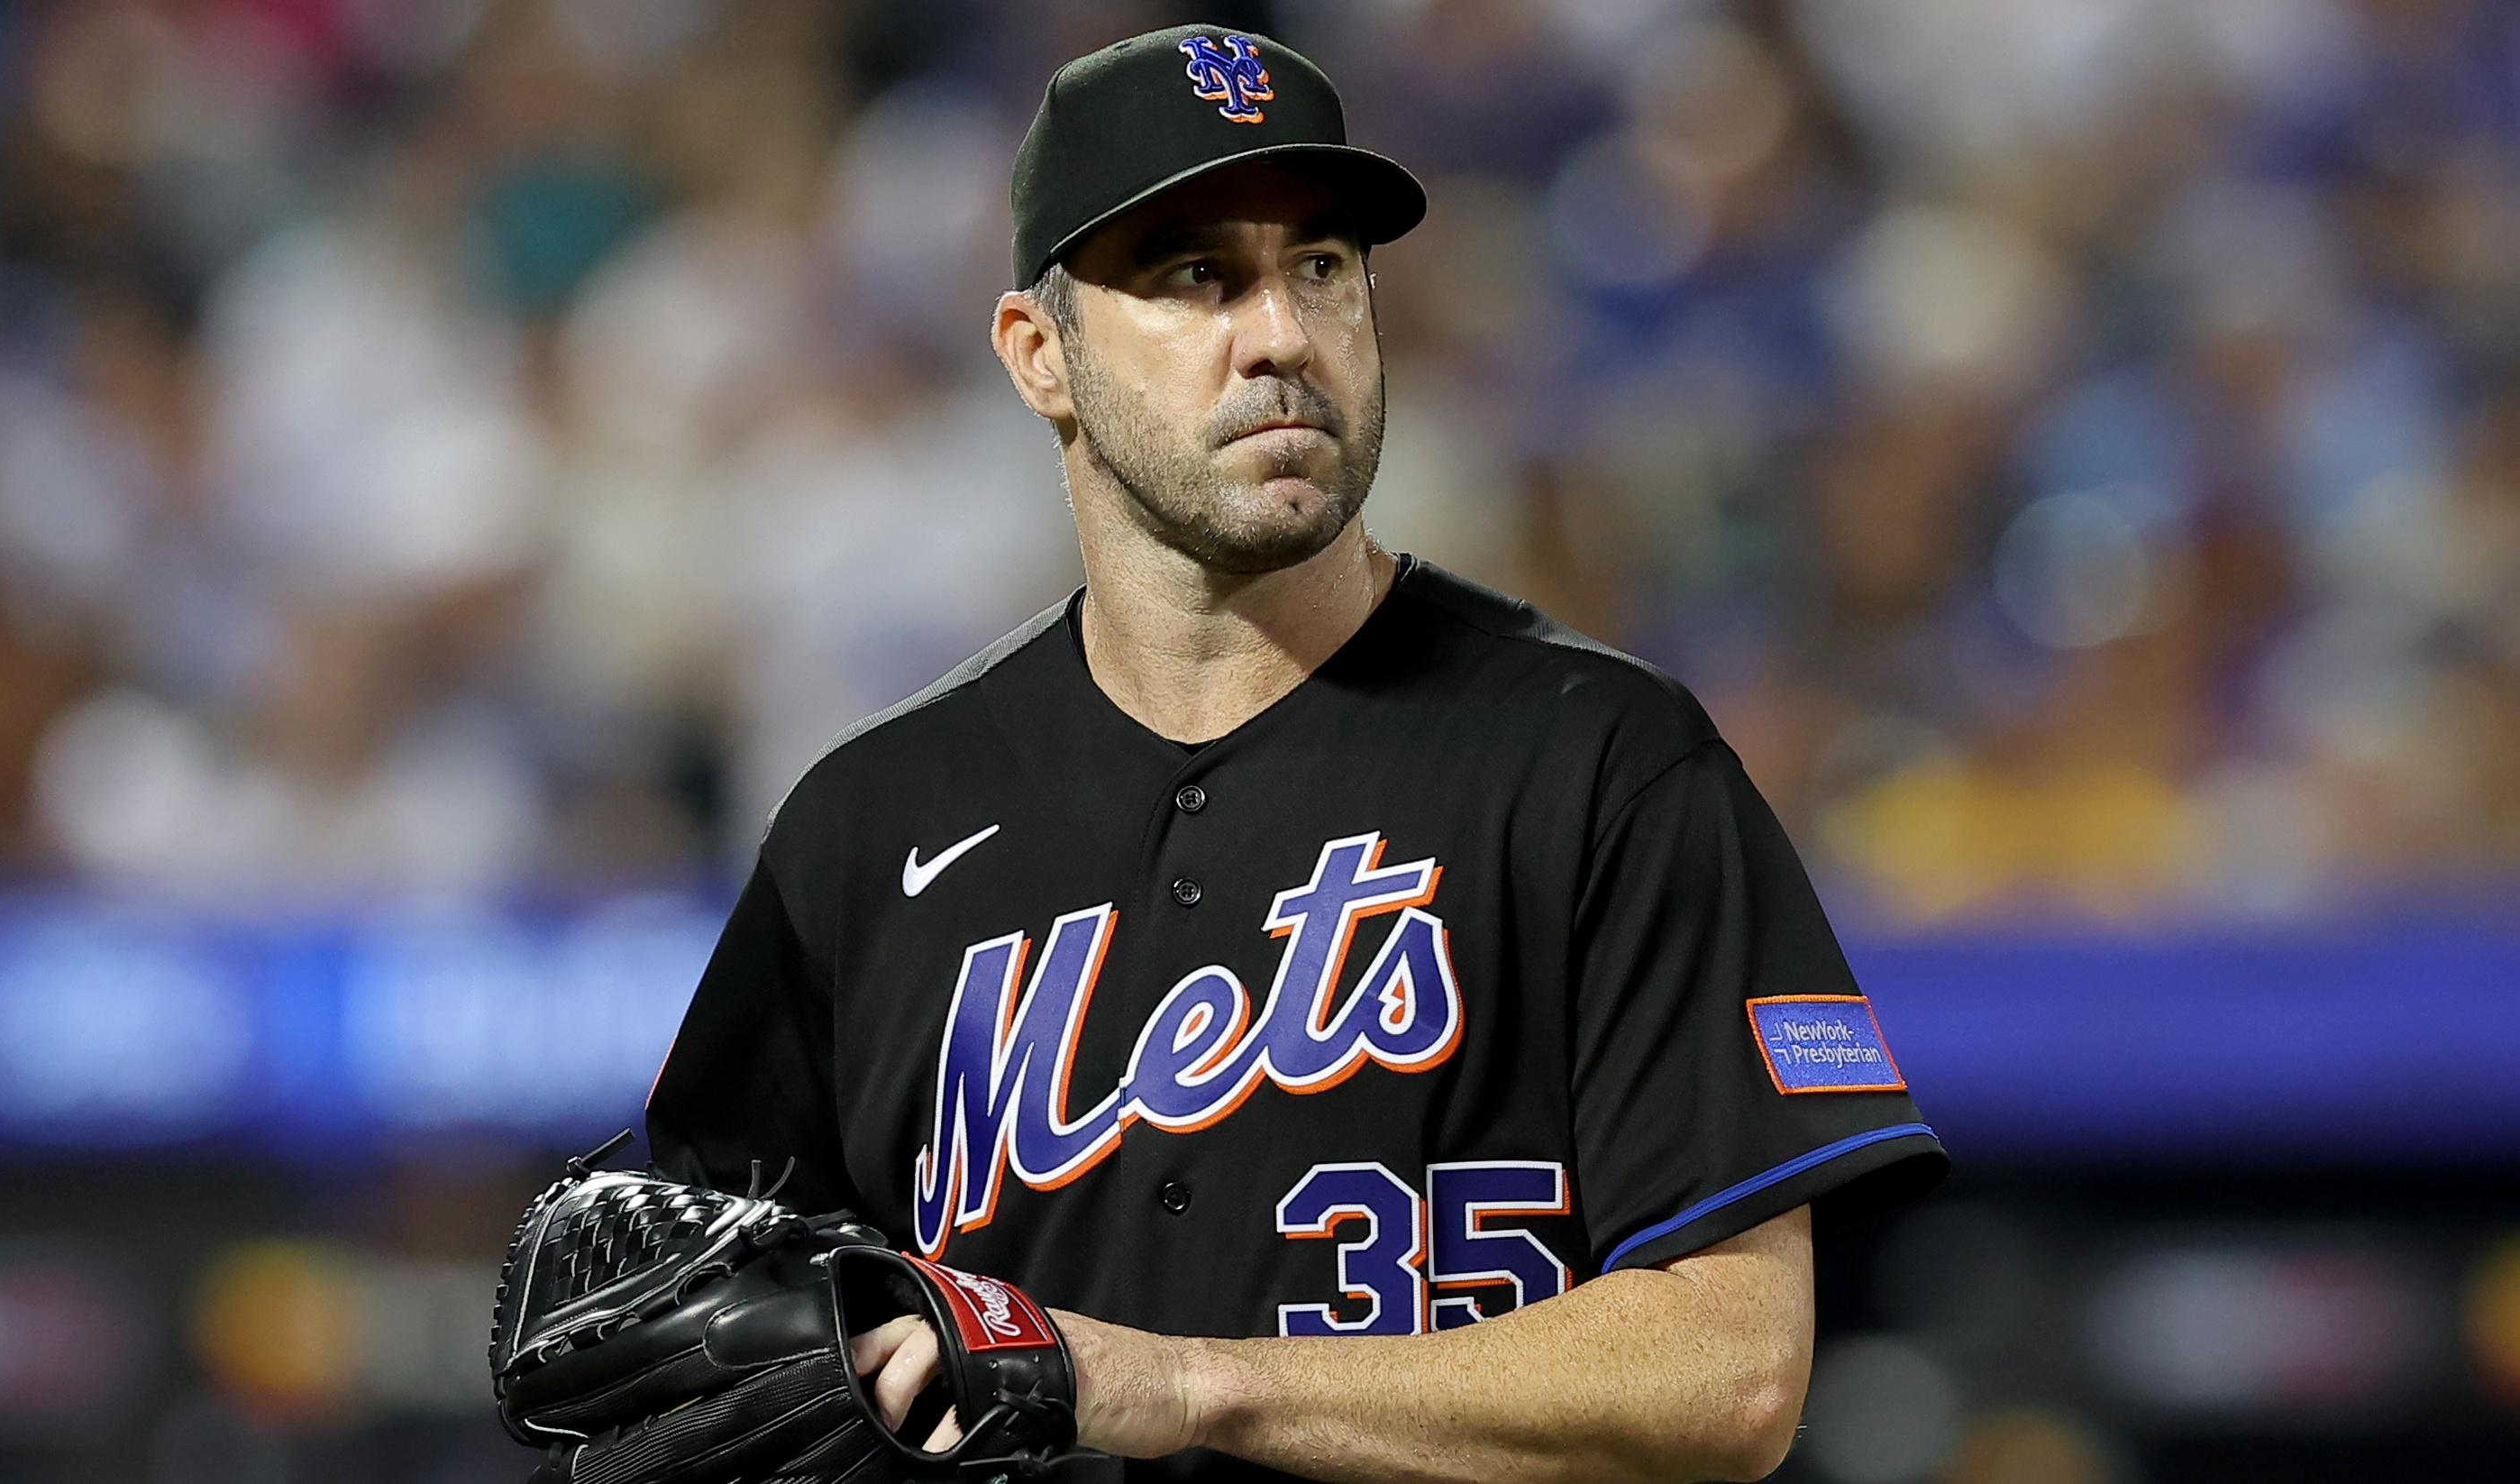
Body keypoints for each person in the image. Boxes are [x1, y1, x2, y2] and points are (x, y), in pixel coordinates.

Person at [644, 24, 1947, 1483]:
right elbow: (701, 1338)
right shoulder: (872, 824)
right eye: (1196, 274)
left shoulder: (1603, 765)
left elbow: (1732, 1370)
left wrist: (1191, 1381)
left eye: (1320, 266)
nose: (1280, 332)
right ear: (1039, 355)